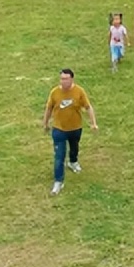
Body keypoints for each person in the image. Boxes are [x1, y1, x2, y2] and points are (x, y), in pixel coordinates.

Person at [42, 68, 98, 196]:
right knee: (59, 156)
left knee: (74, 147)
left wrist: (93, 123)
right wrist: (45, 123)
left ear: (72, 79)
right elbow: (49, 108)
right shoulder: (55, 93)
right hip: (59, 129)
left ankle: (73, 162)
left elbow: (88, 107)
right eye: (62, 79)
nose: (63, 81)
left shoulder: (79, 92)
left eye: (66, 79)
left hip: (75, 128)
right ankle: (58, 181)